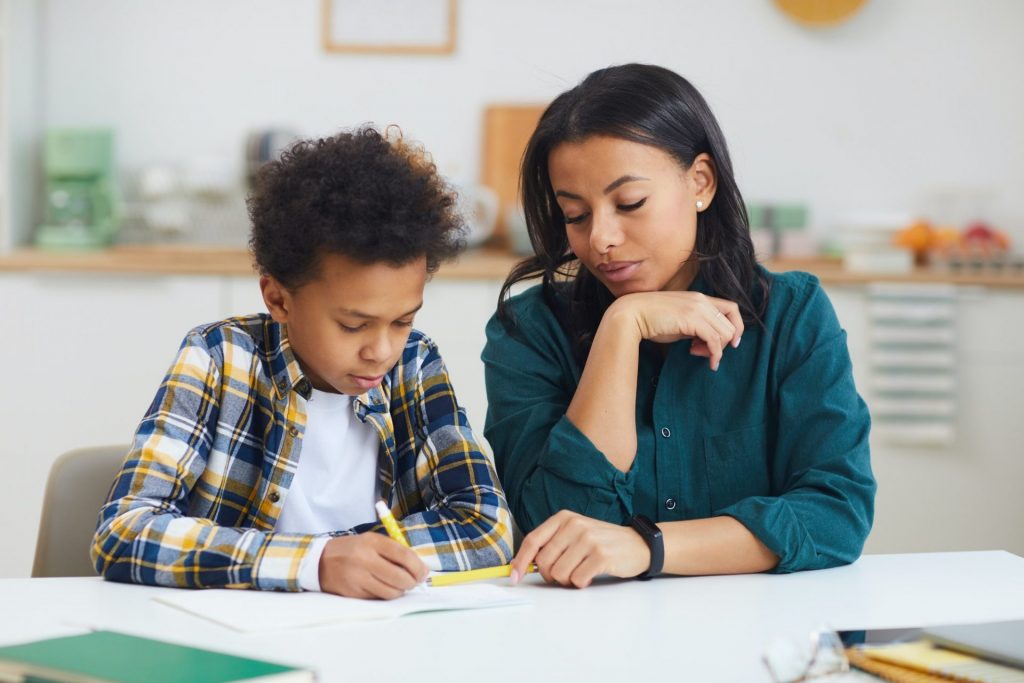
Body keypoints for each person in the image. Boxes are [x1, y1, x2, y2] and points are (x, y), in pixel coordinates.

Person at [482, 64, 875, 588]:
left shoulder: (791, 313)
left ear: (701, 183)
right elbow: (554, 529)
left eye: (630, 204)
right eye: (575, 215)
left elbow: (836, 514)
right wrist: (623, 327)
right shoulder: (528, 330)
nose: (600, 238)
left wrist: (649, 547)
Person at [92, 127, 513, 599]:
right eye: (353, 325)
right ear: (278, 298)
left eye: (402, 321)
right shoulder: (218, 357)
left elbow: (487, 529)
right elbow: (124, 532)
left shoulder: (414, 363)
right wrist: (316, 563)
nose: (381, 350)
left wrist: (345, 556)